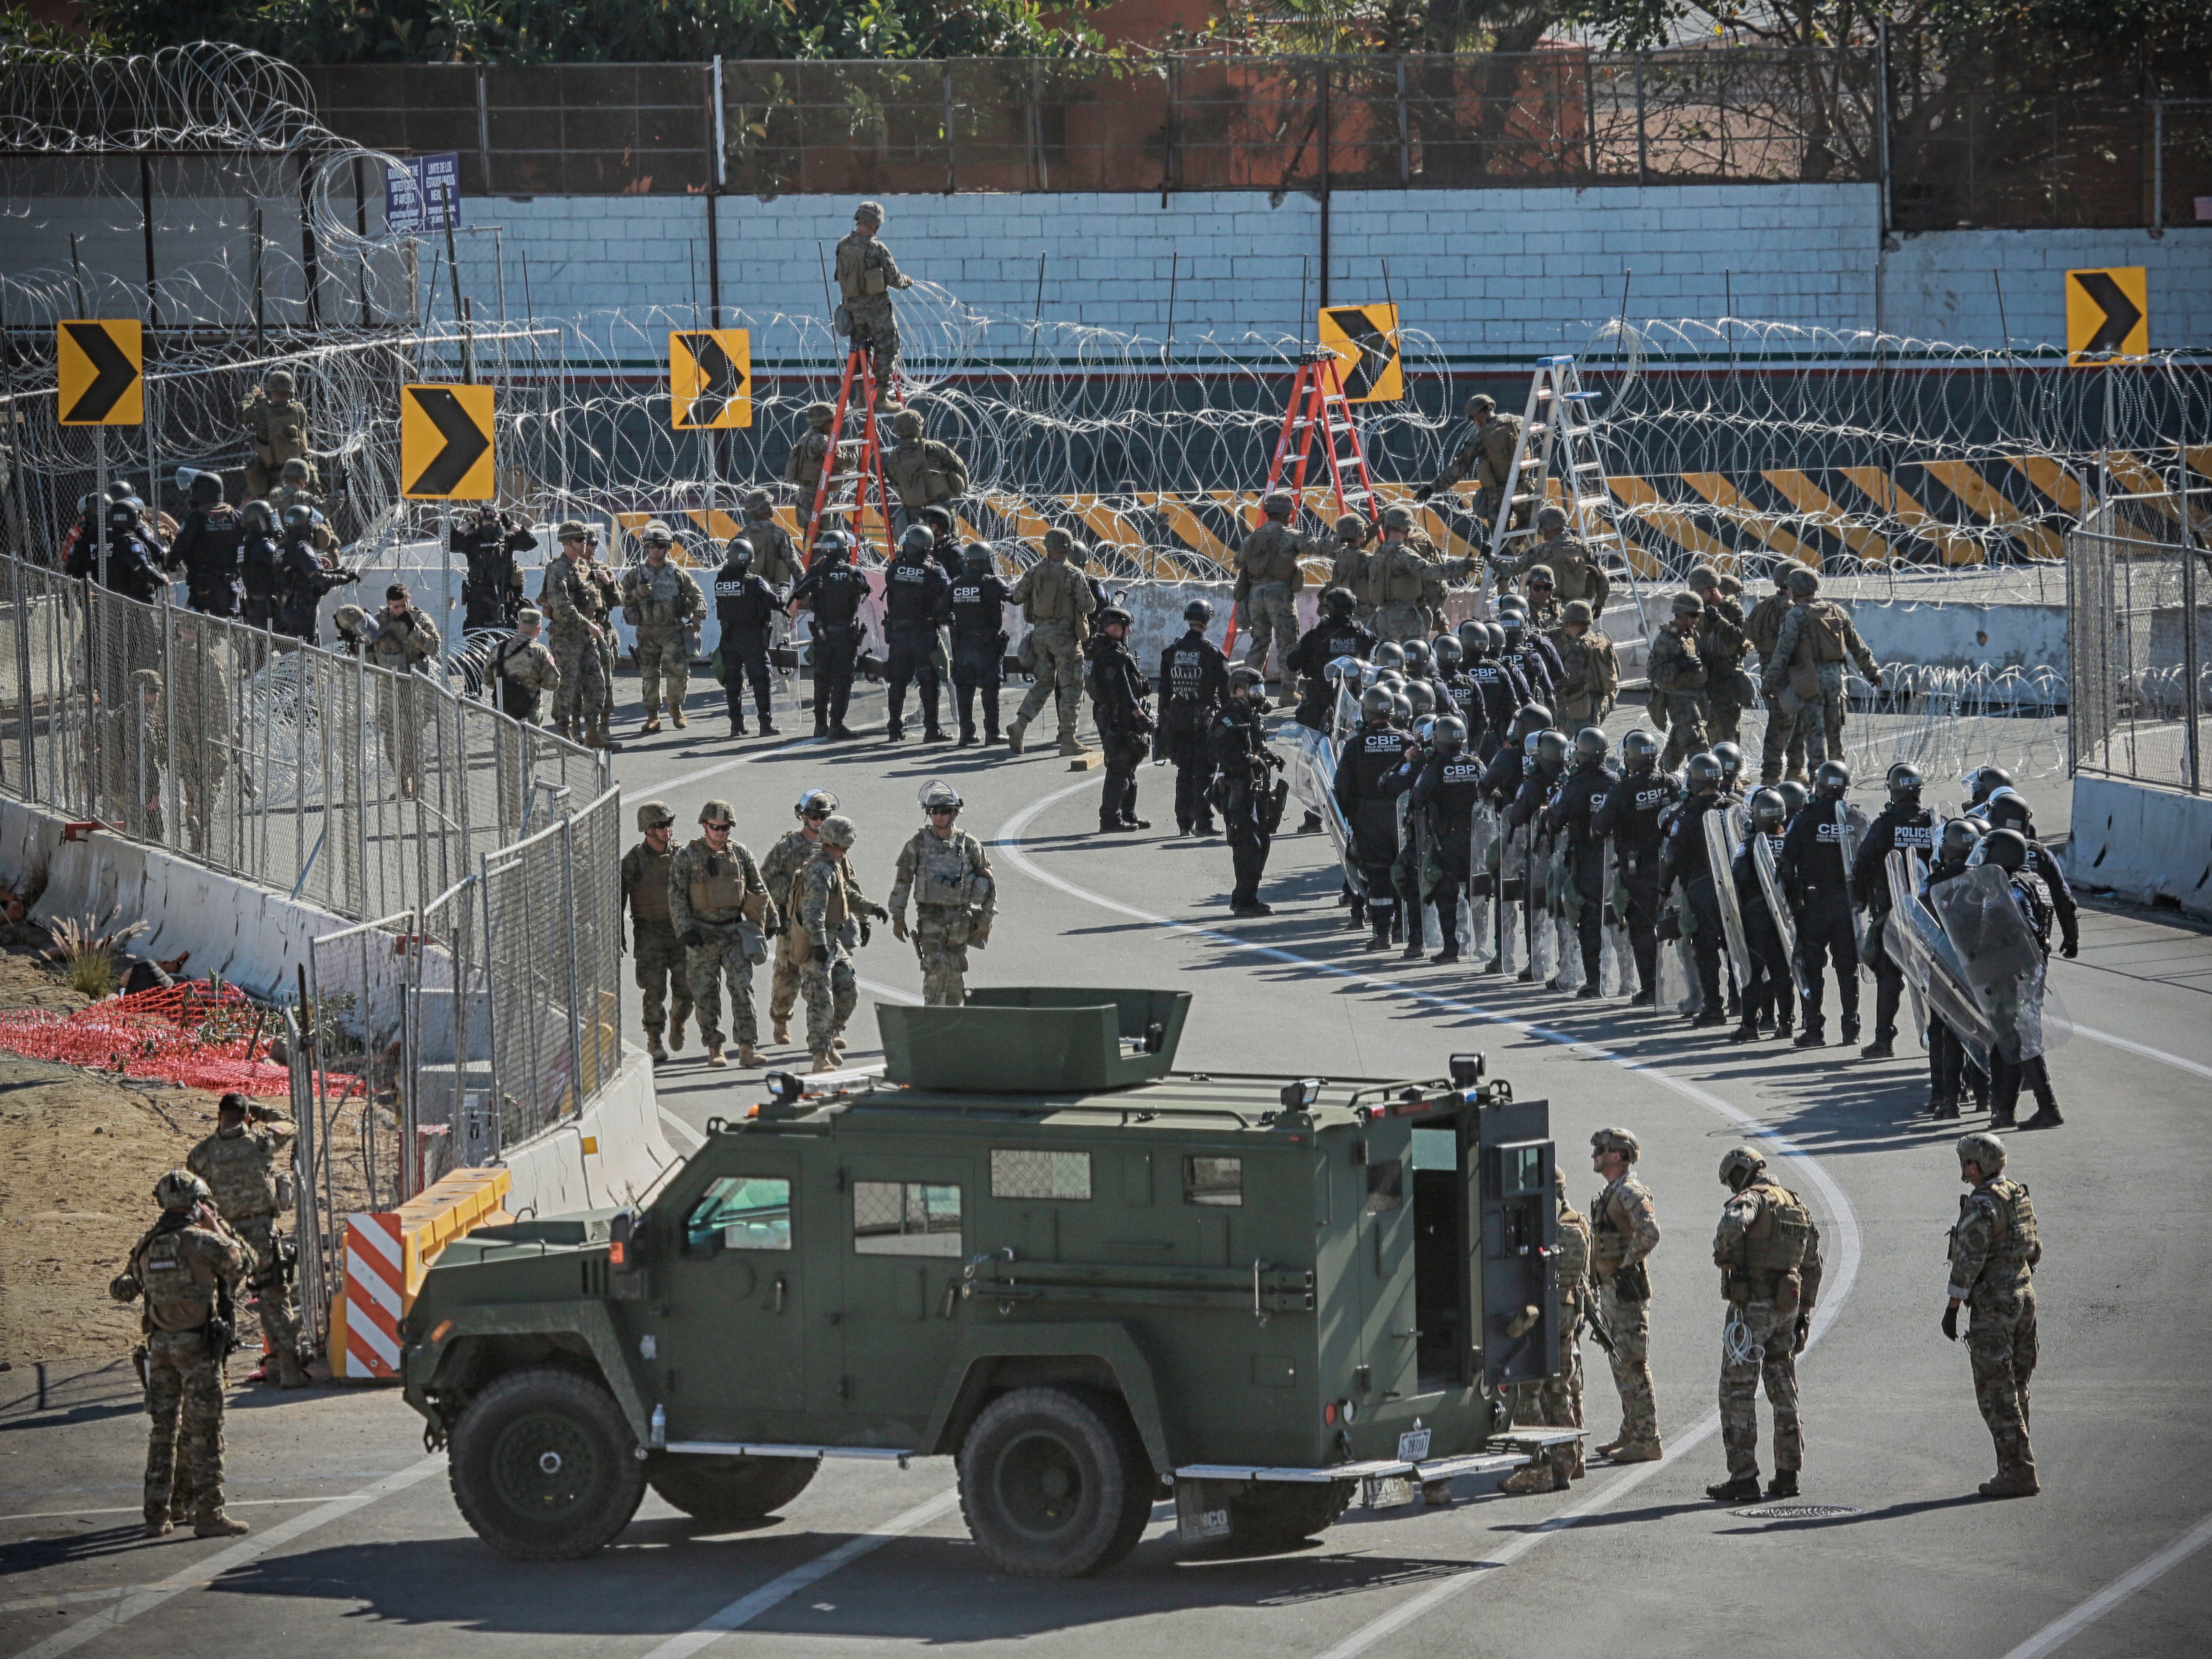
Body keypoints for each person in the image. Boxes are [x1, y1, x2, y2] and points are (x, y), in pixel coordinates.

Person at [109, 1170, 255, 1538]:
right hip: (198, 1348)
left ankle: (158, 1516)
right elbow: (244, 1263)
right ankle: (208, 1514)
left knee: (163, 1432)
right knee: (204, 1433)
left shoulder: (147, 1244)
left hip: (160, 1350)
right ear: (197, 1204)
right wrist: (217, 1225)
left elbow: (123, 1289)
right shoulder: (202, 1241)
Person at [1706, 1145, 1822, 1502]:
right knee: (1783, 1387)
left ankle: (1744, 1476)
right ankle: (1788, 1473)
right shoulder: (1796, 1205)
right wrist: (1803, 1313)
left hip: (1751, 1309)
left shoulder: (1752, 1200)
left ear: (1741, 1173)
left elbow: (1731, 1225)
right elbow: (1813, 1264)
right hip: (1785, 1308)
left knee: (1737, 1390)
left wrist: (1727, 1258)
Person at [1942, 1129, 2042, 1497]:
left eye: (1966, 1162)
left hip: (1995, 1305)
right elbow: (2035, 1248)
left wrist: (1953, 1307)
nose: (1963, 1168)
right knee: (2017, 1385)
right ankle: (2019, 1463)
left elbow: (1969, 1260)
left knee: (1996, 1392)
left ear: (1977, 1165)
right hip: (2023, 1295)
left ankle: (2017, 1472)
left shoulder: (1982, 1204)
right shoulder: (2017, 1194)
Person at [184, 1093, 306, 1389]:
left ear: (219, 1114)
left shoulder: (202, 1154)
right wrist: (259, 1110)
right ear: (246, 1115)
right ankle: (287, 1368)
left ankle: (219, 1371)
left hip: (222, 1236)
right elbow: (289, 1124)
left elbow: (193, 1193)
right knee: (274, 1296)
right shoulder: (261, 1144)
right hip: (260, 1233)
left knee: (219, 1302)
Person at [1501, 1166, 1594, 1495]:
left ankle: (1537, 1469)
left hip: (1540, 1313)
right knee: (1562, 1390)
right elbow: (1587, 1273)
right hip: (1569, 1312)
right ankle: (1569, 1463)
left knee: (1529, 1393)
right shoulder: (1577, 1220)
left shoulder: (1535, 1224)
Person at [667, 799, 776, 1069]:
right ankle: (715, 1047)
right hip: (701, 935)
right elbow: (676, 896)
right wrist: (685, 930)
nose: (720, 832)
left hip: (733, 933)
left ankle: (747, 1047)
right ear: (705, 826)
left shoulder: (740, 854)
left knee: (742, 989)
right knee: (705, 994)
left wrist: (772, 920)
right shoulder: (687, 858)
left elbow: (758, 888)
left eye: (725, 827)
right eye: (716, 827)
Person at [1851, 763, 1937, 1059]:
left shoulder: (1886, 824)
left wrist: (1859, 899)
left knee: (1889, 976)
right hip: (1931, 915)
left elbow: (1862, 862)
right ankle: (1942, 1039)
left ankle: (1883, 1040)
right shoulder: (1934, 823)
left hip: (1892, 911)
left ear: (1894, 790)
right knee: (1936, 978)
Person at [1588, 1127, 1662, 1463]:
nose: (1595, 1156)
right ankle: (1631, 1430)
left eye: (1600, 1151)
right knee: (1620, 1363)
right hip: (1612, 1292)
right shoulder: (1612, 1192)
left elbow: (1649, 1232)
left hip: (1626, 1292)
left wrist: (1624, 1268)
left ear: (1617, 1155)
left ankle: (1648, 1438)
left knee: (1632, 1364)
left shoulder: (1629, 1191)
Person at [1777, 759, 1860, 1048]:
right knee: (1847, 968)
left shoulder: (1804, 818)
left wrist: (1787, 902)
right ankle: (1852, 1028)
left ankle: (1814, 1030)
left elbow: (1786, 865)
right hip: (1847, 906)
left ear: (1819, 786)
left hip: (1813, 905)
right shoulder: (1854, 819)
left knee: (1811, 967)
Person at [1764, 568, 1882, 771]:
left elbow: (1783, 653)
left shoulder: (1796, 616)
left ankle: (1818, 780)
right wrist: (1872, 672)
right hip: (1836, 680)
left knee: (1815, 734)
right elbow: (1857, 646)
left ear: (1796, 591)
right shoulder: (1836, 611)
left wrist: (1769, 684)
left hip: (1810, 682)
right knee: (1835, 734)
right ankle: (1839, 775)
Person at [889, 780, 995, 1004]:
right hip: (930, 918)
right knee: (935, 970)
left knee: (955, 975)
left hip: (960, 919)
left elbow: (989, 883)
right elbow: (903, 883)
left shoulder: (969, 845)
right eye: (934, 811)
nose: (939, 816)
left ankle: (952, 1027)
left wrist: (985, 920)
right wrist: (898, 918)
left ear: (955, 813)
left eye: (945, 811)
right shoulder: (918, 844)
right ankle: (934, 1022)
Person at [1595, 729, 1677, 1005]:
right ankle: (1683, 982)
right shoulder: (1672, 784)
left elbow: (1600, 827)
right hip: (1671, 866)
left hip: (1638, 869)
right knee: (1674, 922)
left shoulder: (1622, 790)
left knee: (1642, 927)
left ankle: (1652, 986)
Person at [1541, 727, 1619, 998]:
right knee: (1617, 918)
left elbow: (1554, 820)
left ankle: (1594, 979)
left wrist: (1547, 815)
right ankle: (1626, 977)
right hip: (1614, 864)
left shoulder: (1575, 786)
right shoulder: (1615, 782)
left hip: (1585, 863)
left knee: (1588, 920)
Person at [1006, 528, 1099, 756]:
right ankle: (1068, 739)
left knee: (1044, 683)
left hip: (1040, 636)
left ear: (1048, 546)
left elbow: (1016, 597)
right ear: (1068, 547)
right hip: (1066, 637)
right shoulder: (1074, 574)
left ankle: (1020, 725)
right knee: (1073, 686)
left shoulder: (1034, 571)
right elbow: (1089, 606)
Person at [1335, 684, 1413, 949]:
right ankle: (1406, 928)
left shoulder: (1356, 746)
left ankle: (1383, 934)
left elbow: (1342, 787)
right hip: (1402, 817)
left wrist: (1352, 816)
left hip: (1369, 819)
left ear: (1366, 713)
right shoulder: (1407, 741)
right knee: (1406, 872)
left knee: (1379, 875)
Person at [1659, 752, 1732, 1026]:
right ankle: (1746, 1006)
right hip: (1735, 889)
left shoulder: (1686, 815)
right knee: (1738, 947)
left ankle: (1714, 1008)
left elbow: (1672, 857)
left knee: (1706, 950)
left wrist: (1663, 890)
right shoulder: (1734, 807)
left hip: (1703, 890)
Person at [761, 789, 838, 1048]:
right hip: (792, 925)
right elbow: (764, 882)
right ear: (803, 817)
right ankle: (781, 1021)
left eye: (824, 816)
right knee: (787, 976)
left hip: (825, 926)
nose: (819, 821)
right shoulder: (787, 848)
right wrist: (775, 917)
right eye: (814, 816)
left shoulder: (834, 848)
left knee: (831, 978)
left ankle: (831, 1030)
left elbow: (845, 883)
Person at [620, 801, 694, 1064]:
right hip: (650, 933)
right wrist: (619, 930)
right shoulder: (633, 861)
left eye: (669, 824)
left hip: (681, 931)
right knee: (654, 989)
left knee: (687, 988)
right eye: (661, 826)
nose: (667, 830)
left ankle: (678, 1019)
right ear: (648, 830)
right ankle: (655, 1039)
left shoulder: (684, 855)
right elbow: (620, 896)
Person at [1410, 713, 1484, 961]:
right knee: (1478, 894)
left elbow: (1417, 799)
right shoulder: (1476, 763)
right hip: (1476, 839)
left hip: (1447, 841)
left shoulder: (1436, 768)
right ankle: (1483, 945)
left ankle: (1451, 948)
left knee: (1447, 894)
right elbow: (1489, 792)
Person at [796, 815, 867, 1071]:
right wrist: (818, 943)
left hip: (833, 940)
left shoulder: (833, 865)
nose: (843, 851)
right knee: (820, 1001)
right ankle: (819, 1058)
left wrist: (870, 909)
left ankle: (830, 1039)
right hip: (818, 943)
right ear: (828, 843)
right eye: (839, 847)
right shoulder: (819, 869)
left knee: (848, 988)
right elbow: (812, 911)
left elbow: (845, 894)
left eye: (845, 848)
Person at [621, 521, 706, 735]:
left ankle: (676, 709)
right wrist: (637, 594)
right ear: (647, 547)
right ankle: (653, 716)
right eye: (652, 545)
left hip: (672, 631)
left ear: (667, 547)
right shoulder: (636, 574)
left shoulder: (677, 573)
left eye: (661, 545)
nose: (656, 549)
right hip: (647, 633)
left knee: (678, 673)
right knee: (649, 675)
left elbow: (698, 595)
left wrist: (698, 616)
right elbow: (620, 597)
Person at [1730, 788, 1798, 1042]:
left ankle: (1750, 1025)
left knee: (1752, 971)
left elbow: (1738, 878)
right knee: (1783, 971)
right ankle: (1787, 1023)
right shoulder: (1789, 843)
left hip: (1757, 918)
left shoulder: (1749, 847)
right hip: (1786, 917)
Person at [1158, 599, 1231, 837]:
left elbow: (1164, 691)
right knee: (1205, 772)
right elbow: (1226, 694)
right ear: (1208, 621)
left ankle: (1184, 824)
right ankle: (1204, 823)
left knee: (1184, 772)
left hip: (1177, 719)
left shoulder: (1172, 651)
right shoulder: (1212, 653)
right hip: (1204, 721)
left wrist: (1163, 722)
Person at [787, 529, 868, 740]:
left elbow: (798, 590)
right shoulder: (854, 572)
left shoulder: (818, 572)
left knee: (822, 679)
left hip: (823, 635)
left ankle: (820, 725)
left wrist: (817, 568)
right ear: (844, 550)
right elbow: (865, 590)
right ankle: (837, 724)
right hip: (846, 634)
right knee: (843, 680)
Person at [1212, 666, 1280, 916]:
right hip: (1237, 789)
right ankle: (1244, 900)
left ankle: (1247, 894)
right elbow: (1223, 751)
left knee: (1262, 842)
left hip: (1257, 789)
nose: (1259, 695)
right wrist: (1248, 760)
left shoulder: (1252, 715)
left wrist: (1268, 755)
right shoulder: (1227, 717)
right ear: (1239, 690)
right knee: (1247, 844)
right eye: (1254, 690)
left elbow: (1257, 744)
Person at [1234, 491, 1321, 684]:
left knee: (1259, 643)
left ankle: (1247, 688)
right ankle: (1289, 691)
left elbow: (1238, 562)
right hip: (1279, 596)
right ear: (1284, 514)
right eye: (1289, 512)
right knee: (1287, 644)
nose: (1291, 516)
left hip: (1256, 596)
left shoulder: (1253, 538)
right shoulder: (1289, 536)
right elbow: (1318, 548)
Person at [541, 522, 612, 747]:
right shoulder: (558, 570)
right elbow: (561, 606)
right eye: (580, 540)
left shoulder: (582, 567)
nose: (585, 543)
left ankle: (593, 733)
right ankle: (562, 732)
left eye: (585, 540)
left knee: (596, 684)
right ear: (567, 542)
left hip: (586, 636)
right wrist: (587, 624)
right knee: (567, 686)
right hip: (566, 637)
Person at [835, 200, 913, 401]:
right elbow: (895, 279)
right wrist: (907, 282)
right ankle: (881, 399)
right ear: (874, 223)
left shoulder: (842, 245)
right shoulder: (877, 248)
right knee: (887, 346)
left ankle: (861, 396)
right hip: (877, 311)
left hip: (852, 311)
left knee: (860, 349)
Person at [881, 524, 952, 742]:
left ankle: (895, 729)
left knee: (898, 682)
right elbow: (946, 591)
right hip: (924, 633)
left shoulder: (894, 569)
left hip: (899, 634)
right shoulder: (935, 572)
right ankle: (932, 729)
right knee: (929, 681)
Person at [1086, 606, 1153, 833]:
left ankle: (1127, 814)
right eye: (1126, 627)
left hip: (1113, 714)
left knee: (1128, 765)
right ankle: (1110, 819)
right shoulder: (1111, 655)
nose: (1130, 632)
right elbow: (1122, 691)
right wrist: (1140, 715)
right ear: (1115, 628)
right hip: (1117, 717)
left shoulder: (1105, 650)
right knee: (1119, 767)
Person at [1419, 392, 1524, 536]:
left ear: (1479, 415)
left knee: (1500, 540)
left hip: (1498, 495)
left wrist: (1432, 488)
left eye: (1473, 419)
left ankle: (1507, 551)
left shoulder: (1481, 437)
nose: (1475, 423)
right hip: (1523, 487)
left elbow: (1460, 467)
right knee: (1527, 527)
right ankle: (1519, 548)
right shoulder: (1518, 422)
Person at [1370, 504, 1477, 642]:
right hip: (1407, 618)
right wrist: (1463, 567)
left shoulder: (1377, 554)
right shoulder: (1405, 554)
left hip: (1382, 618)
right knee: (1416, 656)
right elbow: (1431, 572)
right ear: (1407, 530)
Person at [711, 537, 781, 737]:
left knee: (733, 682)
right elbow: (776, 603)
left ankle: (736, 725)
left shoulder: (721, 580)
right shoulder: (755, 582)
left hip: (729, 638)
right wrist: (783, 591)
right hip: (753, 639)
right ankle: (765, 725)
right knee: (761, 680)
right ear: (751, 559)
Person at [1746, 569, 1809, 785]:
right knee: (1790, 724)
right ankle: (1783, 772)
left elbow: (1749, 633)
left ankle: (1778, 773)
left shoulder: (1763, 606)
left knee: (1781, 724)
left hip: (1769, 671)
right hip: (1790, 674)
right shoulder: (1792, 609)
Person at [947, 543, 1013, 747]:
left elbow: (941, 612)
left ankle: (966, 733)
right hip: (987, 644)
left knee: (965, 688)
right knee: (990, 688)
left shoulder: (956, 584)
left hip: (963, 644)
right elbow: (1012, 596)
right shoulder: (992, 582)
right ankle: (992, 733)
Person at [1286, 587, 1375, 730]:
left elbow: (1292, 663)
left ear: (1330, 607)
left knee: (1307, 734)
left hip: (1320, 699)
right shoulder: (1365, 636)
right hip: (1356, 699)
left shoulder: (1315, 636)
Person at [1686, 566, 1754, 746]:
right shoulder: (1699, 611)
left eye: (1702, 592)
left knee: (1729, 730)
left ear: (1713, 588)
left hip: (1727, 677)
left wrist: (1719, 620)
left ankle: (1732, 769)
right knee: (1708, 729)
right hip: (1706, 677)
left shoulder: (1733, 609)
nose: (1699, 595)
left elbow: (1739, 639)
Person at [1497, 505, 1611, 610]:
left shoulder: (1543, 551)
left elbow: (1509, 569)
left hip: (1552, 610)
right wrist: (1599, 604)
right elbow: (1603, 580)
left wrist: (1491, 558)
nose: (1541, 531)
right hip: (1578, 610)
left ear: (1547, 528)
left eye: (1542, 527)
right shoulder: (1583, 547)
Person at [166, 471, 244, 618]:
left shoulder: (196, 519)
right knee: (230, 625)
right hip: (230, 585)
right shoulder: (236, 516)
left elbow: (179, 547)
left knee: (196, 626)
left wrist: (170, 563)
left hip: (203, 587)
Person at [1649, 592, 1712, 771]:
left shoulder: (1691, 637)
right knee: (1697, 744)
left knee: (1677, 745)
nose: (1696, 620)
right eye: (1693, 615)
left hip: (1695, 697)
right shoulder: (1665, 641)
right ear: (1680, 615)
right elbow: (1654, 673)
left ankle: (1663, 774)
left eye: (1698, 615)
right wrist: (1679, 666)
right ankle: (1706, 778)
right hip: (1679, 699)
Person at [274, 506, 352, 642]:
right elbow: (319, 579)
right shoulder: (302, 548)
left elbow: (299, 573)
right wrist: (344, 578)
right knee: (307, 649)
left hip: (286, 609)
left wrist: (337, 572)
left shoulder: (282, 548)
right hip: (302, 611)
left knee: (292, 650)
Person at [454, 507, 535, 632]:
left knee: (508, 635)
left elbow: (531, 542)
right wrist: (468, 524)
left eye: (494, 522)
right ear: (480, 522)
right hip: (479, 596)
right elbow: (449, 543)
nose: (491, 526)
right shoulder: (472, 541)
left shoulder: (506, 540)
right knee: (476, 637)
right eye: (487, 522)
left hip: (505, 593)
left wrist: (511, 524)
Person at [883, 410, 968, 528]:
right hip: (941, 510)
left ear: (897, 431)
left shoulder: (893, 459)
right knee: (948, 543)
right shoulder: (933, 448)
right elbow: (959, 467)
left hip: (915, 515)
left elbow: (894, 481)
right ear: (919, 427)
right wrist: (962, 487)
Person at [239, 368, 309, 500]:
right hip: (296, 473)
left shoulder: (261, 413)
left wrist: (252, 396)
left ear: (271, 390)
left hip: (270, 474)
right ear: (290, 391)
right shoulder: (298, 410)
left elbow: (240, 414)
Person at [1551, 601, 1617, 726]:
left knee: (1579, 742)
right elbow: (1616, 670)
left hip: (1584, 704)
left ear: (1571, 623)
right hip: (1604, 700)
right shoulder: (1601, 640)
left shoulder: (1577, 645)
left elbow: (1571, 678)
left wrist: (1553, 689)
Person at [267, 459, 338, 557]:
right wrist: (341, 494)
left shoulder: (273, 495)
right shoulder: (303, 497)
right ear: (302, 480)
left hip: (280, 549)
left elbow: (283, 486)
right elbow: (327, 510)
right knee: (319, 524)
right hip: (301, 550)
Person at [738, 489, 803, 593]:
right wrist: (804, 587)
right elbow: (793, 562)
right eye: (771, 505)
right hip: (774, 594)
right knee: (783, 564)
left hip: (749, 591)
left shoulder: (742, 535)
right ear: (767, 509)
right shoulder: (779, 533)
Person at [784, 402, 848, 497]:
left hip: (807, 495)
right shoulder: (821, 441)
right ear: (825, 423)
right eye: (833, 421)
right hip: (816, 497)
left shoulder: (808, 437)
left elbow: (825, 469)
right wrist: (857, 449)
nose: (836, 424)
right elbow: (844, 463)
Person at [238, 500, 281, 629]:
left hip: (253, 605)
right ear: (260, 522)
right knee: (289, 647)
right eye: (269, 519)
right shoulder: (265, 545)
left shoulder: (244, 544)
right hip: (270, 608)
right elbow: (282, 566)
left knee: (261, 646)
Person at [1328, 512, 1377, 622]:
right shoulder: (1366, 558)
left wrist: (1375, 526)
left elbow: (1356, 546)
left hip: (1343, 609)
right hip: (1365, 612)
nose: (1365, 530)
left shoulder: (1342, 554)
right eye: (1362, 529)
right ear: (1358, 533)